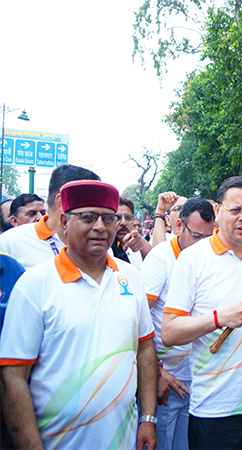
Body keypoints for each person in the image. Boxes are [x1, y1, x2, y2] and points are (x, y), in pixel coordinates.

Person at [0, 180, 157, 449]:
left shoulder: (130, 276)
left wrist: (148, 418)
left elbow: (144, 348)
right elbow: (13, 378)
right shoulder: (34, 284)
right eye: (88, 217)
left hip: (125, 438)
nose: (100, 227)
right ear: (64, 222)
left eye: (108, 218)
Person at [161, 176, 242, 450]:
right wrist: (218, 319)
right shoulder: (193, 259)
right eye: (235, 210)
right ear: (218, 211)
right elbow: (169, 332)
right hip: (213, 411)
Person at [141, 197, 215, 450]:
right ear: (179, 226)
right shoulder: (160, 258)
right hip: (166, 380)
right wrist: (156, 372)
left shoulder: (209, 259)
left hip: (196, 378)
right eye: (197, 236)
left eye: (209, 237)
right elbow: (137, 321)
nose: (203, 244)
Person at [0, 164, 100, 269]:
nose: (99, 208)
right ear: (62, 201)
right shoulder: (9, 242)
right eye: (91, 201)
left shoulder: (99, 244)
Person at [111, 196, 152, 268]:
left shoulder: (141, 250)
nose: (123, 223)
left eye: (128, 218)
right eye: (117, 218)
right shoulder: (101, 252)